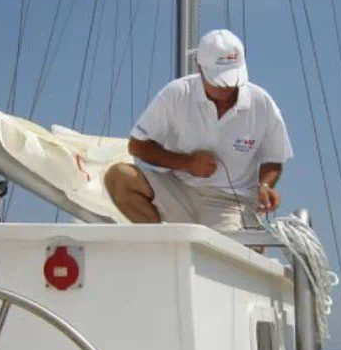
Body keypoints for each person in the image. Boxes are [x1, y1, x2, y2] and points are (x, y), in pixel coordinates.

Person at [105, 29, 293, 233]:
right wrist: (186, 163)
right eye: (219, 80)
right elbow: (137, 146)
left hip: (231, 204)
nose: (227, 89)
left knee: (233, 249)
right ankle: (161, 242)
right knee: (119, 177)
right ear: (199, 67)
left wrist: (265, 186)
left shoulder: (262, 103)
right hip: (179, 190)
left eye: (233, 79)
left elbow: (273, 158)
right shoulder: (176, 94)